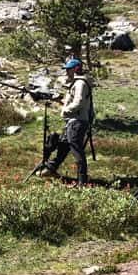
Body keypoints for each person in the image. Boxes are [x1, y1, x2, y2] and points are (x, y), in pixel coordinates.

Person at [37, 57, 93, 185]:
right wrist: (60, 102)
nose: (67, 72)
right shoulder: (77, 83)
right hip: (73, 121)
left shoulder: (80, 83)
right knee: (63, 146)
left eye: (68, 70)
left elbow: (78, 102)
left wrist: (65, 111)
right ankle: (50, 169)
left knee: (76, 150)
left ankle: (82, 181)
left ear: (76, 69)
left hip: (77, 122)